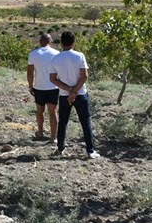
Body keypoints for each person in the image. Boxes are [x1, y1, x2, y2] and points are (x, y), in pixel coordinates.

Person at [49, 31, 101, 159]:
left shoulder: (55, 58)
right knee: (85, 122)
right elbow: (84, 76)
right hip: (81, 93)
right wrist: (74, 91)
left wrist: (68, 90)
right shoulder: (79, 56)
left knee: (63, 122)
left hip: (64, 95)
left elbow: (53, 79)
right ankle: (90, 151)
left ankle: (60, 149)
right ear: (74, 42)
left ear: (61, 43)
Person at [27, 33, 59, 140]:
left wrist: (30, 86)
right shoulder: (56, 53)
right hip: (53, 87)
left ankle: (40, 132)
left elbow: (30, 73)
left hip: (39, 87)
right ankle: (53, 137)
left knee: (39, 111)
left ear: (40, 42)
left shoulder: (33, 54)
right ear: (50, 41)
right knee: (53, 112)